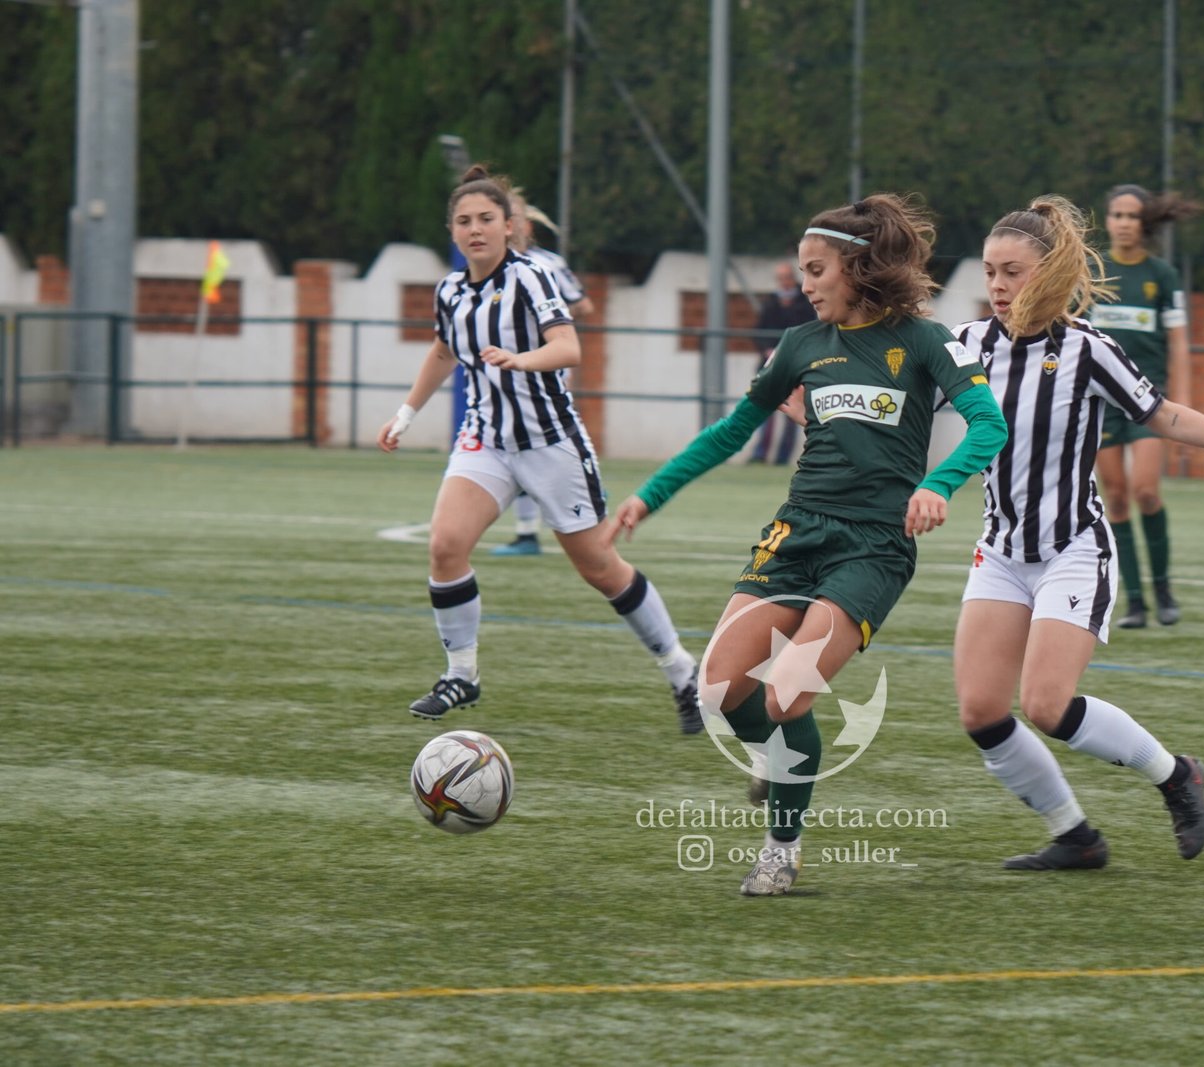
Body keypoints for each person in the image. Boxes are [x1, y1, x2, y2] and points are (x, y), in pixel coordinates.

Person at [605, 194, 1008, 895]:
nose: (805, 283)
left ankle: (781, 850)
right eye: (802, 271)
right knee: (719, 686)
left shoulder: (922, 339)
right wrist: (649, 494)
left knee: (788, 694)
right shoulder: (800, 346)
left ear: (857, 266)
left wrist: (938, 485)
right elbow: (731, 432)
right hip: (797, 533)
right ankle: (780, 756)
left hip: (873, 547)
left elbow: (987, 424)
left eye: (816, 269)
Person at [952, 195, 1204, 870]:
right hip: (1000, 552)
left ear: (1050, 275)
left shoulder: (1087, 350)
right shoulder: (966, 347)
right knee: (980, 711)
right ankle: (1077, 837)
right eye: (990, 272)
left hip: (1073, 550)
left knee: (1048, 704)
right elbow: (903, 398)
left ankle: (1176, 774)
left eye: (1012, 272)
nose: (997, 286)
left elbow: (1162, 414)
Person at [378, 164, 702, 733]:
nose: (474, 229)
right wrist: (405, 414)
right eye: (463, 221)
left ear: (509, 226)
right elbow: (442, 352)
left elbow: (568, 346)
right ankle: (462, 673)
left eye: (485, 218)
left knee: (601, 570)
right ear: (451, 232)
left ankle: (683, 671)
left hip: (551, 445)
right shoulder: (450, 290)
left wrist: (520, 359)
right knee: (446, 544)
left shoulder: (531, 277)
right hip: (485, 441)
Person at [1090, 184, 1203, 629]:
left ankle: (1163, 589)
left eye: (1132, 216)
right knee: (1115, 498)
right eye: (1116, 214)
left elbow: (1178, 342)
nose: (1123, 223)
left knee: (1146, 491)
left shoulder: (1162, 274)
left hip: (1147, 398)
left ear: (1145, 223)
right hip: (1101, 400)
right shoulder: (1092, 270)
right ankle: (1135, 602)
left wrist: (1185, 402)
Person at [493, 190, 597, 558]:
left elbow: (584, 303)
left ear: (525, 224)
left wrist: (551, 321)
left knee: (535, 442)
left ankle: (577, 494)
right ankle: (528, 531)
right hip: (503, 370)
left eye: (516, 215)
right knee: (515, 444)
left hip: (544, 369)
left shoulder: (547, 265)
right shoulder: (489, 267)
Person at [747, 261, 817, 465]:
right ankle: (760, 453)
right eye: (780, 278)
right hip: (770, 365)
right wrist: (768, 349)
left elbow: (808, 330)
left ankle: (782, 456)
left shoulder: (804, 303)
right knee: (766, 409)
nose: (784, 282)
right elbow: (758, 331)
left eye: (786, 277)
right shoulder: (770, 302)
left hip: (795, 366)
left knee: (791, 411)